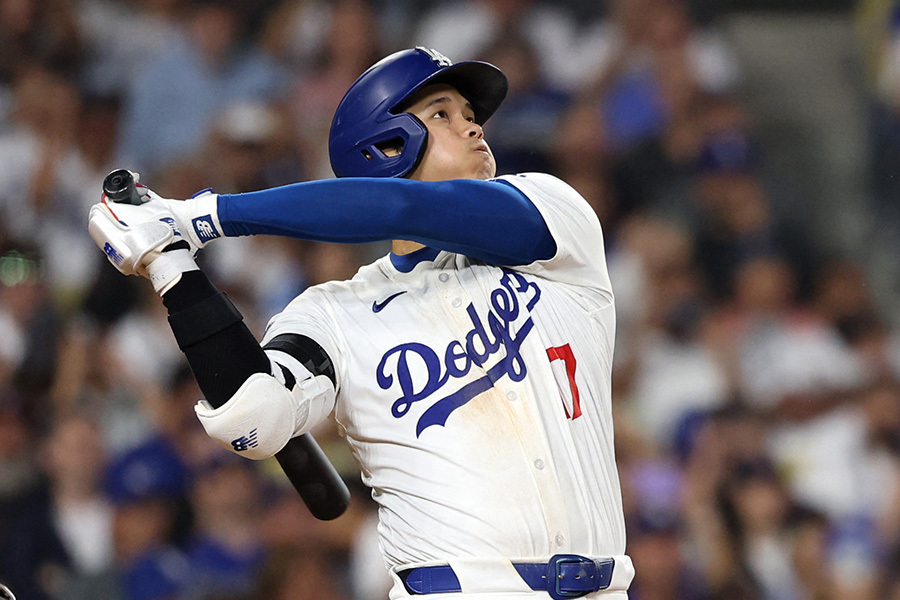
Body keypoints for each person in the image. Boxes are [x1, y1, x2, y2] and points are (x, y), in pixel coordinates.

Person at [87, 47, 634, 599]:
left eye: (472, 115)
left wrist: (204, 216)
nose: (473, 127)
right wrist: (170, 264)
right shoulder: (334, 311)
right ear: (385, 147)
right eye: (443, 114)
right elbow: (254, 418)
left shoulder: (553, 214)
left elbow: (408, 208)